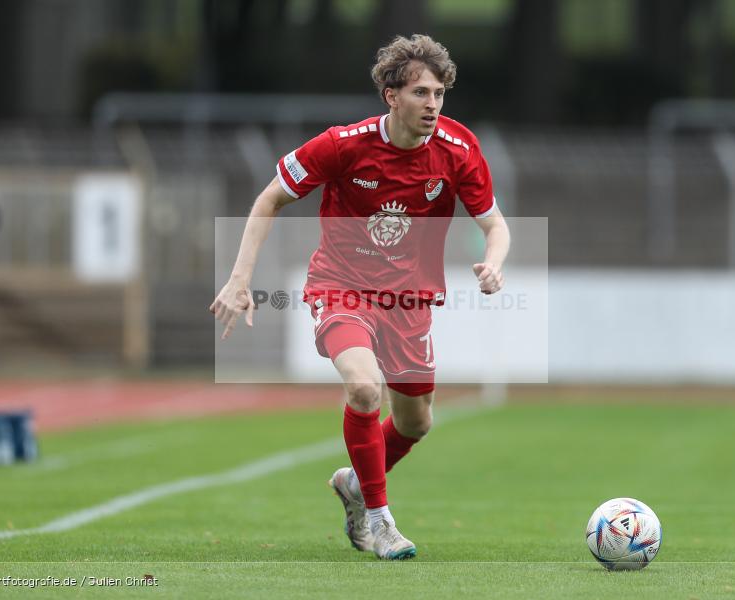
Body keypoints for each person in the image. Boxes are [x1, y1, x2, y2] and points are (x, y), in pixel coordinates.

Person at [210, 35, 510, 560]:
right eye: (421, 92)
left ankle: (353, 483)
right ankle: (379, 519)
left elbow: (496, 225)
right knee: (365, 387)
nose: (434, 105)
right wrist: (240, 279)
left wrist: (494, 262)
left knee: (417, 422)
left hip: (409, 303)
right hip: (342, 287)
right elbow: (269, 198)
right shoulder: (342, 144)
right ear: (391, 96)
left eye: (440, 93)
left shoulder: (458, 150)